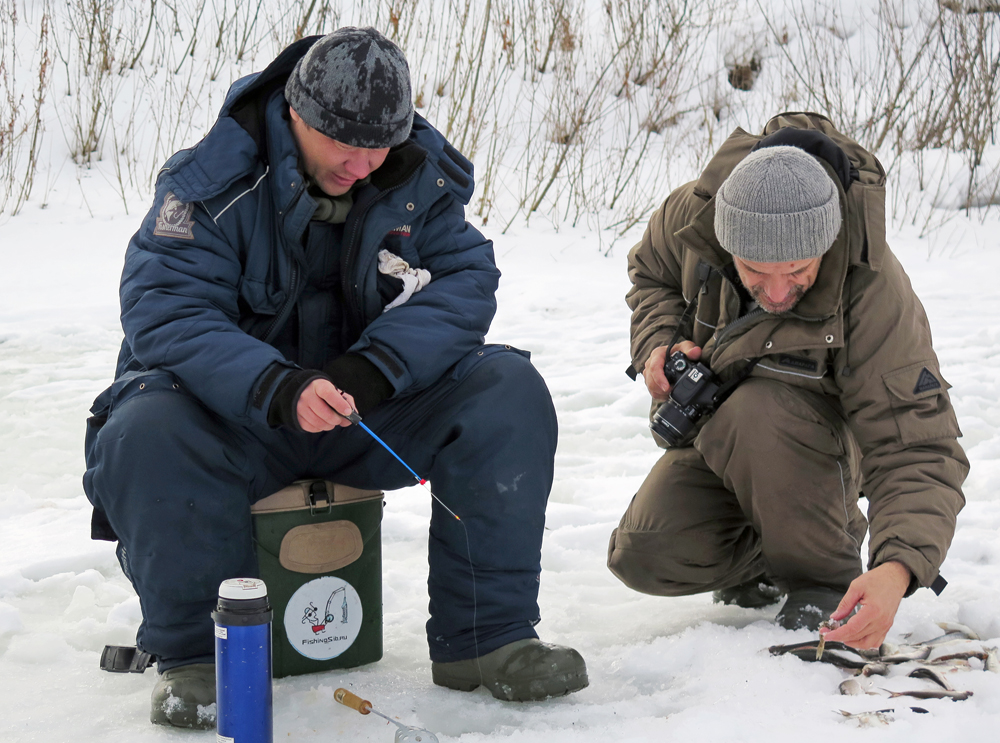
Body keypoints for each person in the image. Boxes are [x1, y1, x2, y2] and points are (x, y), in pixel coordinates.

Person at [83, 27, 587, 729]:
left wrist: (374, 368)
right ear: (295, 112)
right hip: (241, 422)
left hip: (365, 415)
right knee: (143, 422)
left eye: (378, 144)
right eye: (342, 144)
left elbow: (466, 279)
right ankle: (199, 658)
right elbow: (164, 308)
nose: (362, 163)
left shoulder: (414, 179)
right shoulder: (211, 181)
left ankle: (486, 639)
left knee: (505, 387)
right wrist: (277, 387)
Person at [607, 112, 968, 651]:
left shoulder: (874, 293)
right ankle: (775, 546)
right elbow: (651, 273)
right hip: (724, 441)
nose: (776, 293)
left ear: (826, 244)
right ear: (725, 242)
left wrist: (896, 570)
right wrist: (658, 344)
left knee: (759, 410)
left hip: (828, 446)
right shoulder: (695, 216)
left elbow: (916, 447)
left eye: (798, 271)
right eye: (755, 271)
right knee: (646, 554)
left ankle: (823, 576)